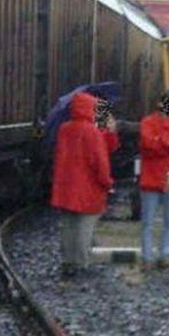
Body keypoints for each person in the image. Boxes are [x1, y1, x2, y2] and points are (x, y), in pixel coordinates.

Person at [50, 92, 114, 278]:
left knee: (68, 224)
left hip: (65, 185)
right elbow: (100, 162)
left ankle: (68, 261)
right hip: (87, 187)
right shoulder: (93, 132)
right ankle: (80, 262)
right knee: (85, 225)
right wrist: (107, 182)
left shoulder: (64, 129)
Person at [138, 90, 169, 271]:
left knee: (165, 222)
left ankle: (160, 256)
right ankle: (151, 257)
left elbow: (156, 145)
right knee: (154, 222)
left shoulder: (149, 123)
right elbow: (154, 145)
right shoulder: (151, 122)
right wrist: (167, 134)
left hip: (162, 178)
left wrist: (161, 139)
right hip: (162, 178)